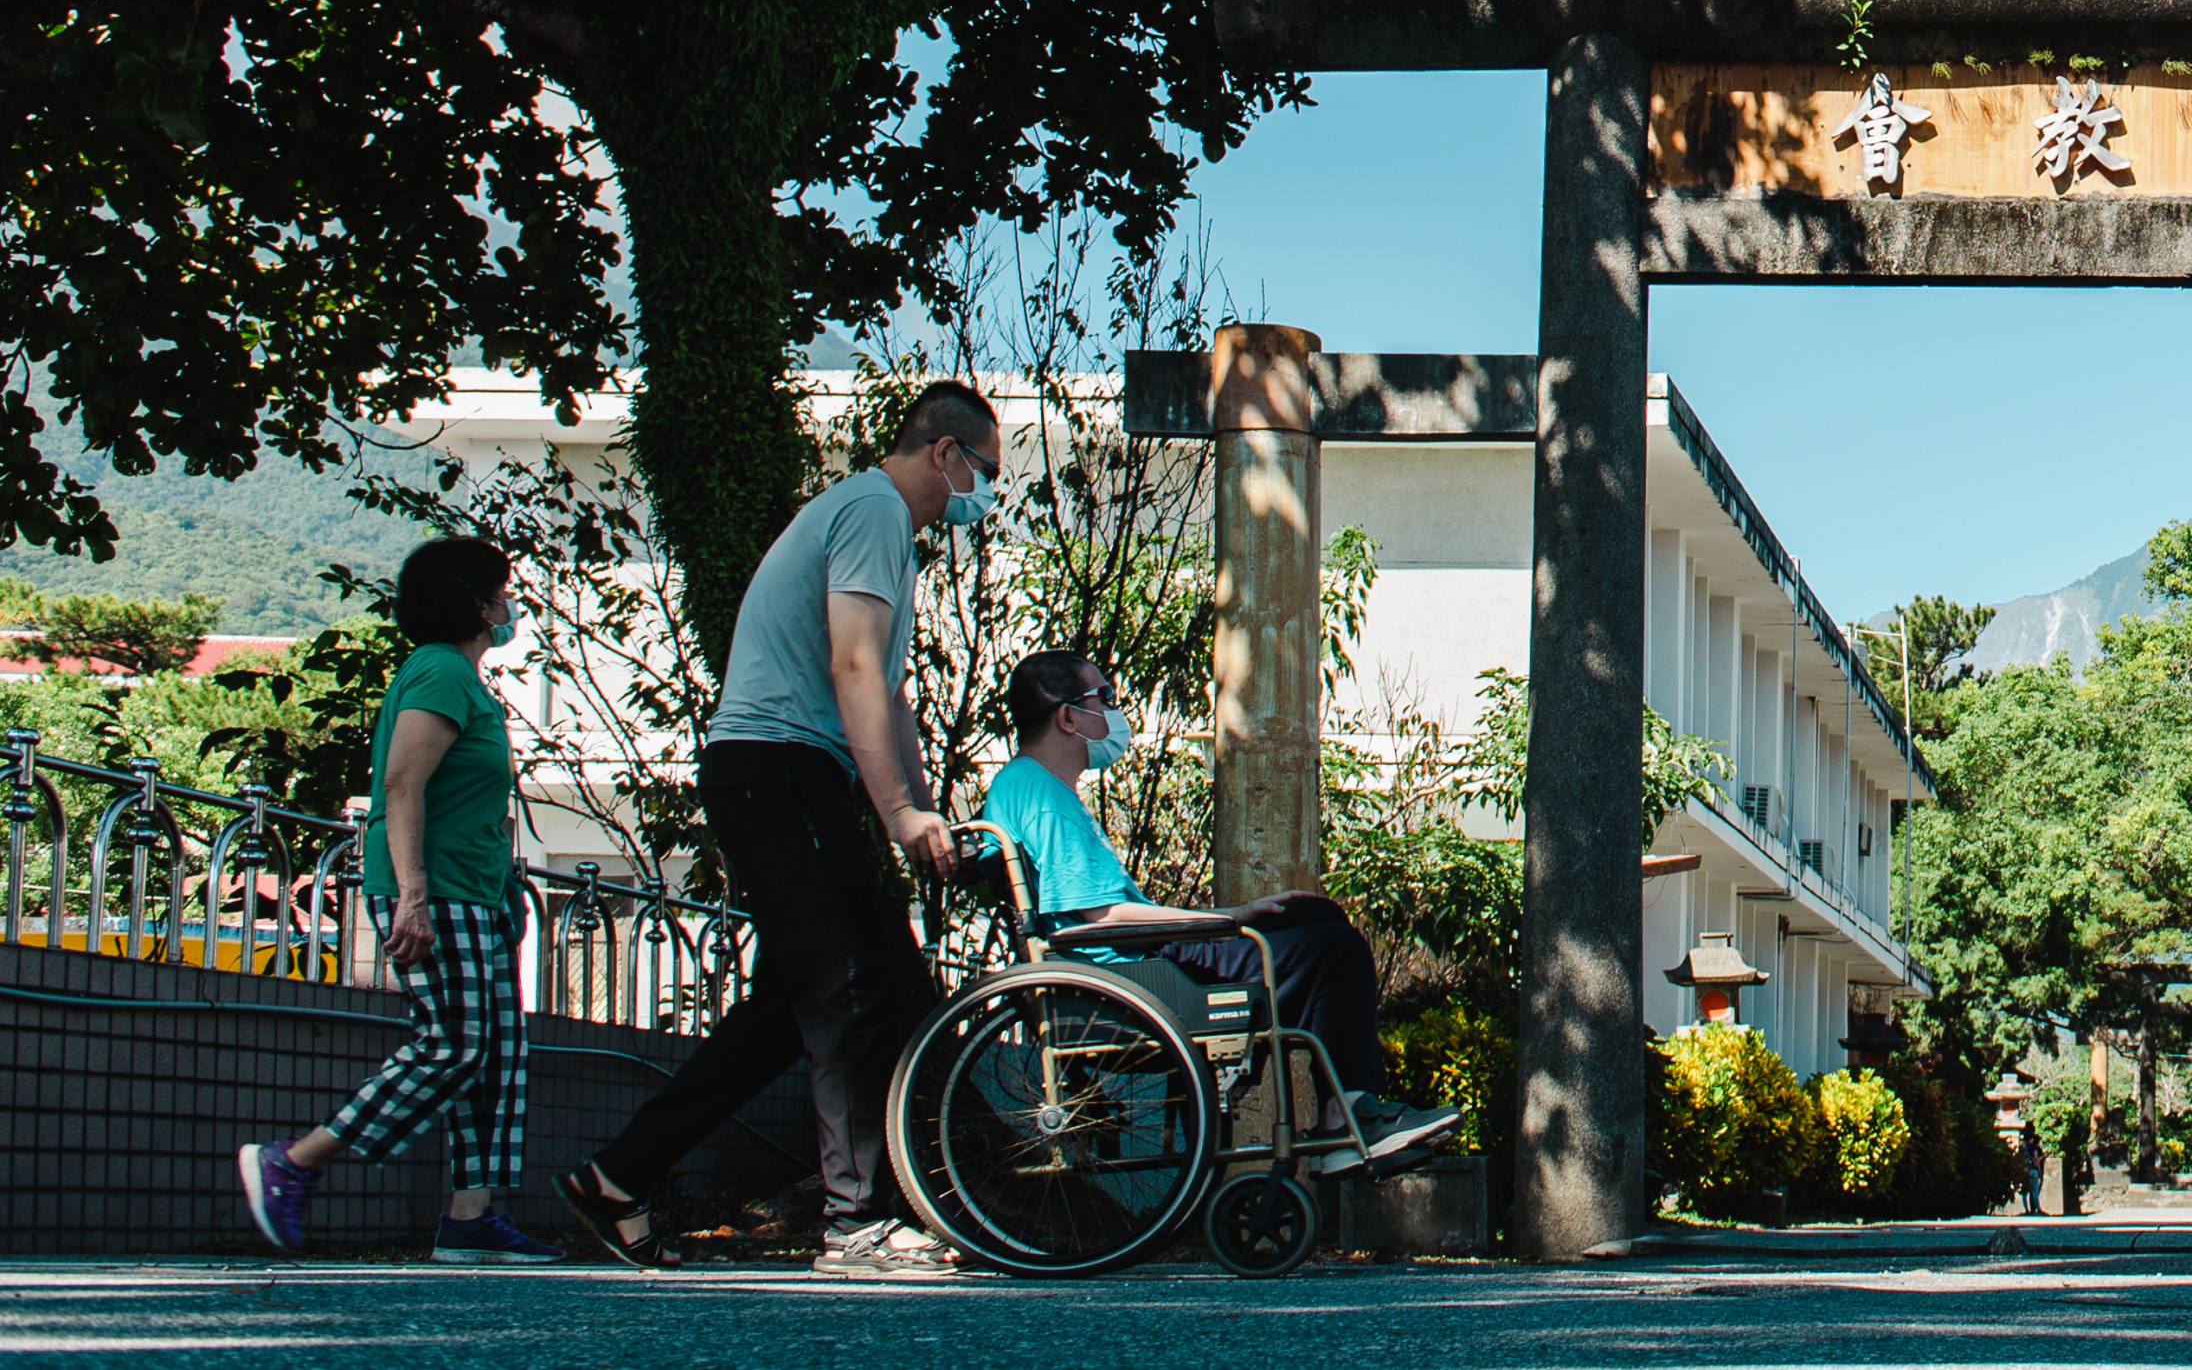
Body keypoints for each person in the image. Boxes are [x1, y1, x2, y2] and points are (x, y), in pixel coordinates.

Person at [555, 386, 1004, 1275]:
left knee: (788, 1010)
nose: (984, 492)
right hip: (777, 766)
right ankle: (856, 1226)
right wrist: (901, 814)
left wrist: (918, 810)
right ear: (946, 453)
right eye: (984, 472)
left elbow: (889, 696)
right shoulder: (876, 509)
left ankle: (615, 1177)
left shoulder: (875, 523)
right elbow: (851, 665)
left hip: (795, 772)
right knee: (847, 988)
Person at [975, 648, 1460, 1174]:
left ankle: (1347, 1114)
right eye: (1105, 699)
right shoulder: (1043, 795)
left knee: (1313, 920)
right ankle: (1345, 1122)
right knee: (1335, 950)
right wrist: (1230, 918)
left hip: (1128, 963)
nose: (1115, 714)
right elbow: (1100, 918)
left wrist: (1237, 913)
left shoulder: (1026, 787)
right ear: (1068, 716)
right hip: (1128, 974)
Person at [236, 538, 559, 1263]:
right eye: (501, 590)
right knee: (455, 1044)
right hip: (431, 891)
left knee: (499, 1054)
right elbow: (401, 785)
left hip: (471, 892)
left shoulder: (466, 681)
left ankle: (471, 1217)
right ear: (476, 602)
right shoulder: (439, 671)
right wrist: (412, 897)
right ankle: (294, 1161)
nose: (510, 603)